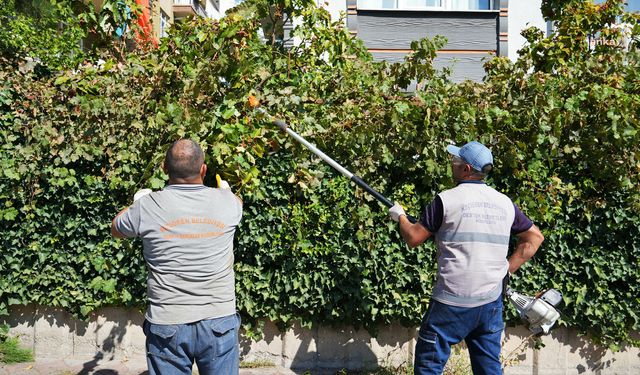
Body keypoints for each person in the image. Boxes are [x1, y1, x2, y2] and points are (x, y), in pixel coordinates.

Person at [388, 141, 544, 375]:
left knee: (429, 364)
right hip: (490, 302)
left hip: (451, 301)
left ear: (467, 169)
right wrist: (505, 272)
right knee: (489, 368)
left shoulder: (446, 200)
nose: (451, 163)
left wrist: (399, 215)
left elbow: (413, 237)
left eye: (455, 160)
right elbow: (535, 238)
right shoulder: (504, 203)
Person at [111, 139, 243, 375]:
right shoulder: (228, 203)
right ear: (203, 169)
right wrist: (225, 190)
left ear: (165, 168)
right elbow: (238, 203)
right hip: (219, 321)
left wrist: (138, 203)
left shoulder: (147, 207)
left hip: (167, 321)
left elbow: (116, 228)